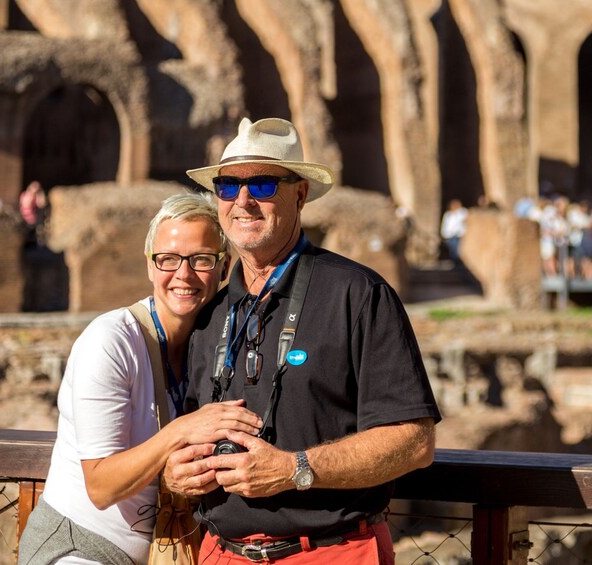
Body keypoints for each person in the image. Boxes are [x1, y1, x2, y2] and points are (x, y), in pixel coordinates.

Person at [169, 117, 441, 564]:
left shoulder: (358, 295)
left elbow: (414, 441)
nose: (242, 201)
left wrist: (293, 470)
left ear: (300, 194)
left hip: (332, 552)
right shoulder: (208, 315)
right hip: (220, 553)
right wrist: (175, 473)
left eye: (261, 186)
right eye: (227, 186)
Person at [18, 193, 261, 565]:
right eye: (168, 259)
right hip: (80, 548)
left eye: (201, 260)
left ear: (224, 267)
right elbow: (100, 486)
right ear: (150, 266)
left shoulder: (217, 345)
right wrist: (183, 430)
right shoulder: (111, 341)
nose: (183, 274)